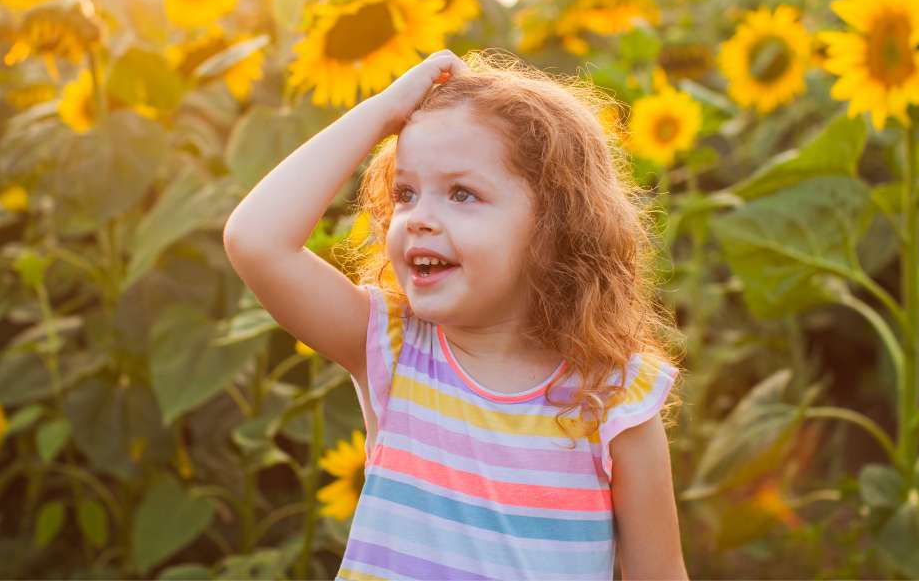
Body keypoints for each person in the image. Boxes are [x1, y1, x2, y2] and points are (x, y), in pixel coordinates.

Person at [224, 48, 689, 580]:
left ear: (555, 229)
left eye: (462, 194)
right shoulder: (392, 349)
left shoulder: (614, 398)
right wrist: (384, 111)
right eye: (406, 193)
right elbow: (255, 240)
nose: (419, 218)